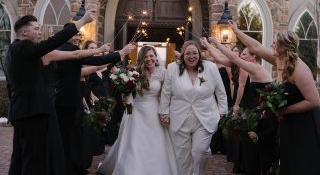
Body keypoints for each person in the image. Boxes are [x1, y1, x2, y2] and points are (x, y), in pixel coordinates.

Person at [4, 10, 95, 175]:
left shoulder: (14, 50)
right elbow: (53, 42)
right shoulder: (24, 48)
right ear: (25, 32)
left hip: (23, 111)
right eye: (37, 29)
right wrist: (82, 21)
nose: (40, 32)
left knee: (20, 157)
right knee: (33, 158)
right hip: (32, 112)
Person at [229, 20, 320, 174]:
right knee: (288, 163)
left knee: (302, 163)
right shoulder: (279, 59)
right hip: (288, 123)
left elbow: (314, 101)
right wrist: (237, 31)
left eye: (274, 43)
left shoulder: (299, 69)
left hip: (304, 125)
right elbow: (255, 47)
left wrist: (285, 111)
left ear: (283, 47)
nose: (271, 45)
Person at [54, 26, 133, 174]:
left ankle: (74, 166)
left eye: (79, 35)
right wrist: (119, 53)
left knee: (75, 136)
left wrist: (110, 59)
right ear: (66, 36)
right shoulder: (66, 50)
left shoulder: (69, 50)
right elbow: (88, 64)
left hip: (72, 101)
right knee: (68, 137)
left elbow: (90, 65)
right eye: (74, 35)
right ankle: (67, 167)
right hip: (63, 101)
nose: (77, 38)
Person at [97, 45, 178, 175]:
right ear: (141, 58)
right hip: (136, 112)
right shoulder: (135, 72)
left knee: (156, 142)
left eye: (151, 56)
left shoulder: (163, 72)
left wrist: (166, 111)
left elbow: (167, 94)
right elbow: (128, 92)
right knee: (134, 143)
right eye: (145, 57)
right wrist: (126, 97)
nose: (149, 59)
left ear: (156, 57)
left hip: (155, 112)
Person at [205, 37, 278, 175]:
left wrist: (216, 42)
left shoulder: (254, 67)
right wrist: (209, 45)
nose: (240, 56)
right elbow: (223, 59)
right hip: (258, 112)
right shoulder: (248, 67)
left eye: (244, 54)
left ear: (253, 57)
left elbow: (233, 58)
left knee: (257, 149)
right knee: (250, 148)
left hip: (264, 115)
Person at [158, 40, 228, 175]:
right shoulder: (173, 68)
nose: (191, 57)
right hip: (179, 117)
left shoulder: (211, 68)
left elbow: (220, 91)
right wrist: (164, 112)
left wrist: (222, 112)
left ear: (200, 54)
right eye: (188, 53)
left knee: (199, 152)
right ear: (183, 55)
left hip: (205, 117)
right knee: (182, 156)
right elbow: (166, 92)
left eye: (194, 53)